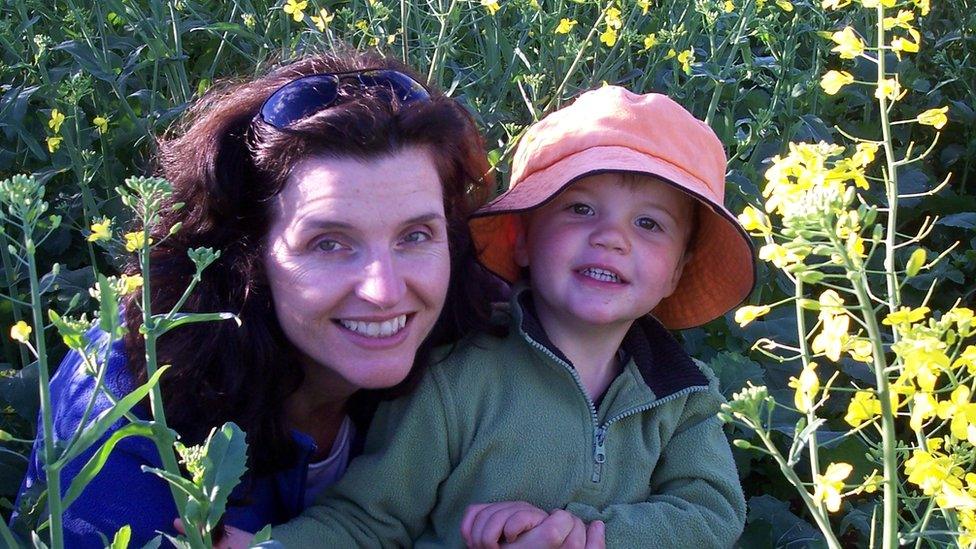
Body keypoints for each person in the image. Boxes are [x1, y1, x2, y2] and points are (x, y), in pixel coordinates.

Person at [12, 50, 498, 547]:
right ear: (246, 253)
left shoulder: (480, 364)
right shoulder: (131, 395)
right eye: (329, 243)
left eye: (415, 235)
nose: (385, 291)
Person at [259, 86, 755, 547]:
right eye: (581, 209)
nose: (612, 237)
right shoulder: (454, 379)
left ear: (676, 273)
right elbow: (366, 520)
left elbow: (712, 514)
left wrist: (581, 536)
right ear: (521, 238)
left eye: (649, 223)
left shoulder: (684, 394)